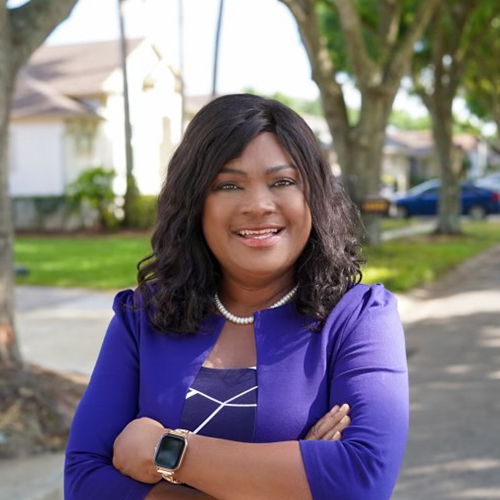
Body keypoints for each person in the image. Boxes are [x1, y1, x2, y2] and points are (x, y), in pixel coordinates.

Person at [64, 93, 409, 500]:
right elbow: (85, 482)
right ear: (195, 204)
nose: (258, 205)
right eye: (228, 184)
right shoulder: (143, 318)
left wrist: (166, 454)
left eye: (283, 181)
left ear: (312, 197)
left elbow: (361, 479)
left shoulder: (360, 318)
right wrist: (297, 478)